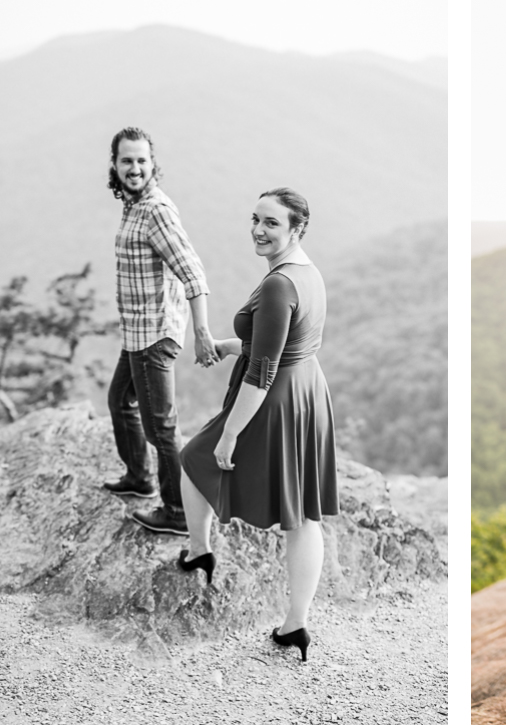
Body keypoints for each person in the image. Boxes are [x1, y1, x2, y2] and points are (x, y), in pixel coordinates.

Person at [176, 187, 339, 662]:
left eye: (271, 223)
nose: (259, 230)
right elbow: (282, 341)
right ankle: (296, 624)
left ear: (297, 229)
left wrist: (231, 434)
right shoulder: (309, 274)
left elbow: (264, 370)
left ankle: (198, 548)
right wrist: (231, 345)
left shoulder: (277, 285)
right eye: (255, 219)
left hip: (274, 396)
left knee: (194, 458)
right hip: (307, 391)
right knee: (303, 514)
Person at [103, 126, 217, 536]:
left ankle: (178, 510)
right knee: (119, 400)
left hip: (154, 334)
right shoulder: (134, 205)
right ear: (114, 166)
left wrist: (202, 331)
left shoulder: (155, 210)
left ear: (153, 165)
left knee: (161, 428)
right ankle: (139, 477)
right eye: (126, 161)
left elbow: (193, 271)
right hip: (137, 330)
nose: (134, 168)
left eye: (141, 161)